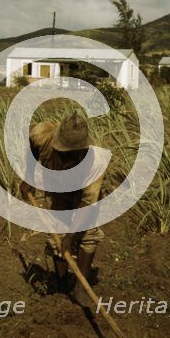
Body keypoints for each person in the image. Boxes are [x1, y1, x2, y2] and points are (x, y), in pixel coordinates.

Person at [19, 112, 106, 304]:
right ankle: (61, 283)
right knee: (56, 233)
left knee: (87, 233)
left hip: (83, 195)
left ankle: (81, 287)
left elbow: (87, 205)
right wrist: (29, 177)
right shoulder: (42, 134)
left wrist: (71, 236)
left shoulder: (96, 162)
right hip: (57, 187)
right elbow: (32, 147)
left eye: (73, 154)